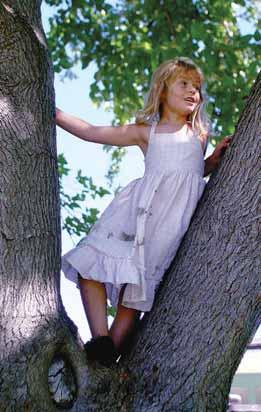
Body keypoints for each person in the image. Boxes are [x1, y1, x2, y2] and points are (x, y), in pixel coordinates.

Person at [56, 57, 232, 366]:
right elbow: (92, 132)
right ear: (163, 90)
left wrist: (211, 163)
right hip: (136, 217)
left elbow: (189, 175)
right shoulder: (146, 132)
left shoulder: (200, 135)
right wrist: (53, 113)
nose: (194, 92)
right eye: (185, 84)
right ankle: (100, 343)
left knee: (131, 302)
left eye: (198, 87)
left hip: (167, 230)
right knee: (89, 267)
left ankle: (103, 360)